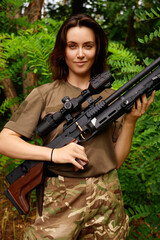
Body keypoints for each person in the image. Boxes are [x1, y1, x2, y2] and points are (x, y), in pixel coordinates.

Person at [0, 14, 155, 240]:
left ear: (97, 50)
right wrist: (54, 153)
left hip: (107, 197)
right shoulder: (44, 94)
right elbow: (5, 140)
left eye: (88, 46)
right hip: (60, 199)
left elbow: (116, 161)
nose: (80, 54)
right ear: (62, 51)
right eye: (72, 46)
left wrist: (131, 121)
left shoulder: (111, 97)